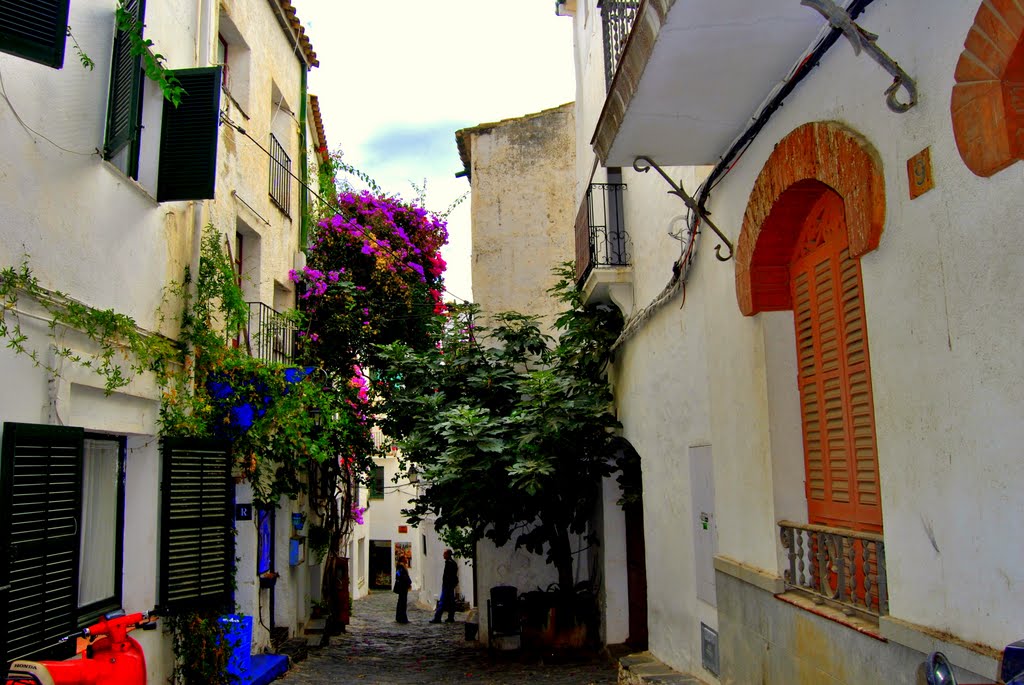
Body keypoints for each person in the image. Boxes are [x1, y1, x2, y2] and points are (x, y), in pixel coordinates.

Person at [429, 549, 459, 623]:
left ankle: (437, 618)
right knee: (451, 602)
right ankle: (450, 617)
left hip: (447, 586)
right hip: (450, 585)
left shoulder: (449, 563)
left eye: (444, 554)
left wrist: (446, 584)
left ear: (448, 555)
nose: (443, 555)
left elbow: (449, 576)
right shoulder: (453, 563)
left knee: (442, 602)